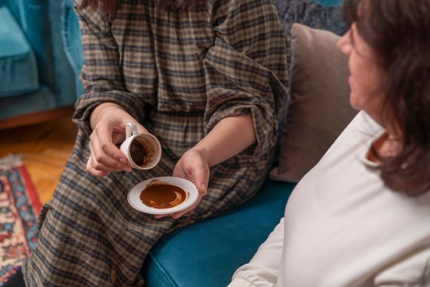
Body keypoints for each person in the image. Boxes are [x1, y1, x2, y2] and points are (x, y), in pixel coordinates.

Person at [3, 0, 289, 286]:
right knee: (76, 207)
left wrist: (202, 153)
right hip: (135, 133)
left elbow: (250, 109)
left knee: (98, 219)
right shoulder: (97, 3)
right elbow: (102, 88)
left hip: (219, 150)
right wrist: (107, 116)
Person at [228, 0, 430, 286]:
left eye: (363, 34)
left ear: (410, 64)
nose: (343, 43)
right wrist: (249, 281)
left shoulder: (419, 261)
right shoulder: (379, 118)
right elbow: (298, 222)